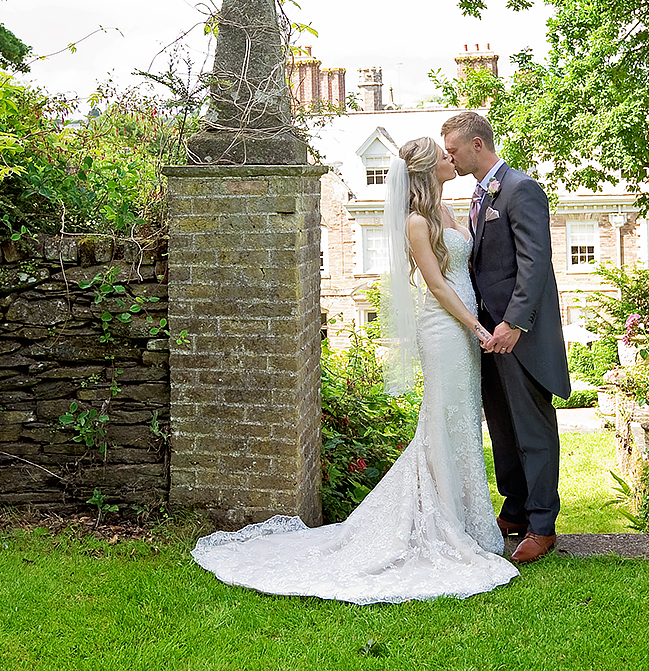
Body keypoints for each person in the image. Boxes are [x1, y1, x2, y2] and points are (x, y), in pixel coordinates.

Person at [190, 136, 519, 604]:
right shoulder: (416, 223)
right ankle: (441, 524)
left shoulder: (450, 212)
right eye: (444, 156)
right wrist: (475, 326)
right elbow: (437, 285)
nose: (453, 159)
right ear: (428, 170)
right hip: (446, 329)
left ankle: (464, 519)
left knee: (462, 423)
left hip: (467, 330)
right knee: (440, 424)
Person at [441, 110, 570, 564]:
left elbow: (535, 263)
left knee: (532, 430)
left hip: (518, 335)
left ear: (477, 145)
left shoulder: (521, 188)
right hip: (487, 336)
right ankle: (514, 509)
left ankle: (542, 525)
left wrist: (514, 323)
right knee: (501, 426)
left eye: (453, 150)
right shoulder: (480, 196)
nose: (449, 158)